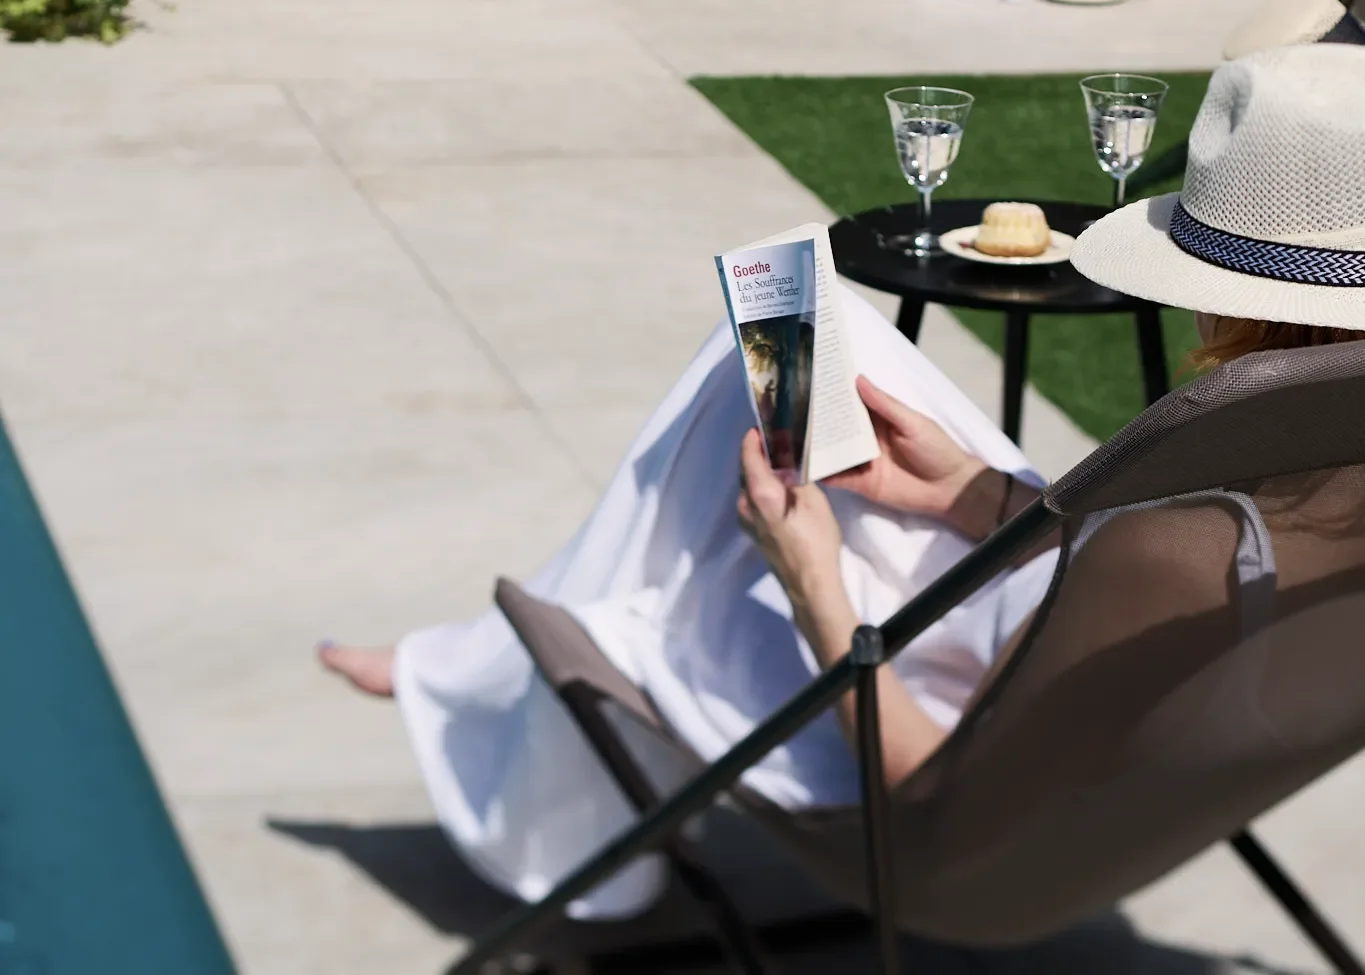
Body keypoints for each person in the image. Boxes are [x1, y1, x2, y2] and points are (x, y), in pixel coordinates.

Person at [319, 43, 1365, 919]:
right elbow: (1133, 621)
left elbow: (922, 791)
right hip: (1098, 755)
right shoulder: (1297, 501)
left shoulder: (1189, 542)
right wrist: (966, 494)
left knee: (656, 591)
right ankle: (476, 662)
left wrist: (812, 578)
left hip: (948, 843)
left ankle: (529, 738)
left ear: (1239, 309)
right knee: (826, 349)